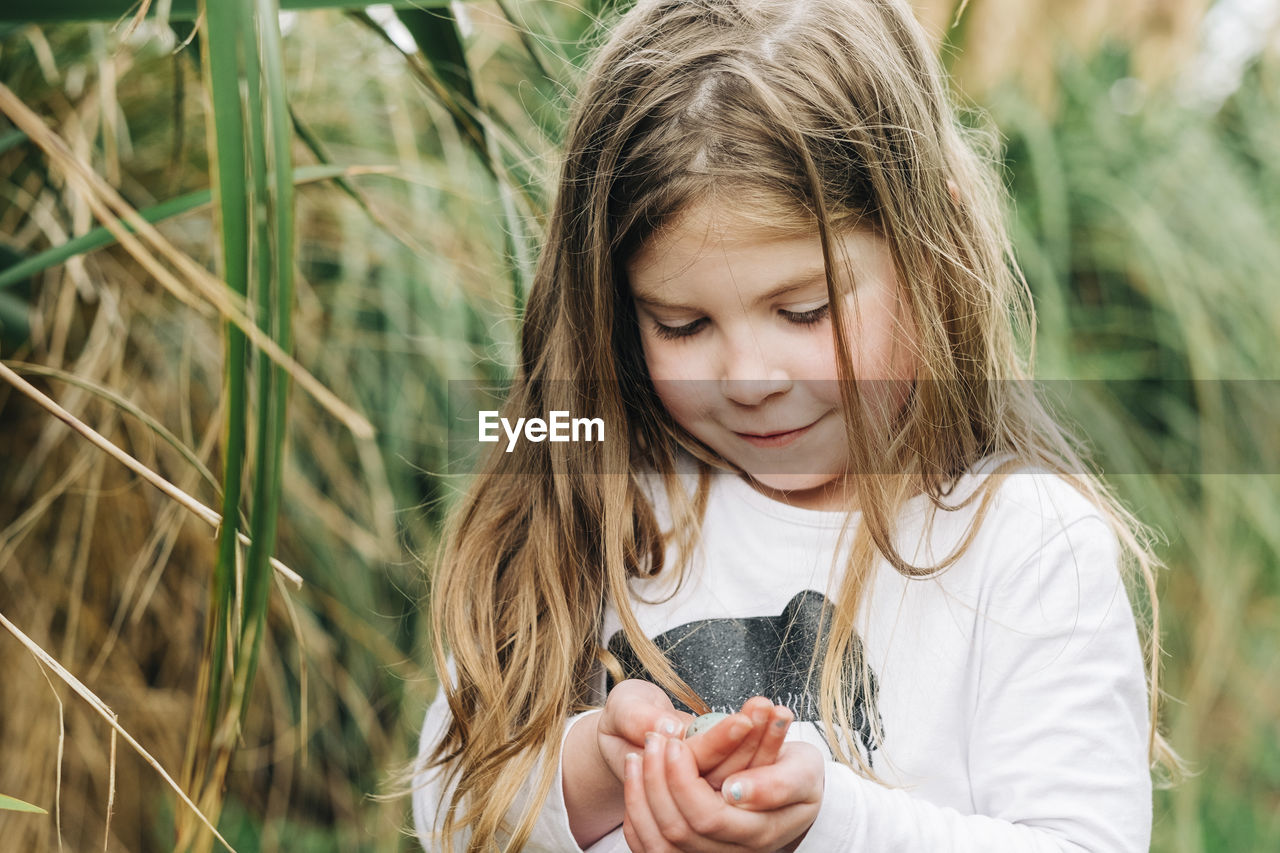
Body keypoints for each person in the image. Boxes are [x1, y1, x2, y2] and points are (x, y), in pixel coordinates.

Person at [410, 0, 1183, 850]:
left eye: (804, 310)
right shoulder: (593, 493)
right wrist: (596, 767)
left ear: (932, 245)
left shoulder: (1026, 544)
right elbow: (452, 805)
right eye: (682, 325)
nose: (749, 378)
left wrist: (832, 822)